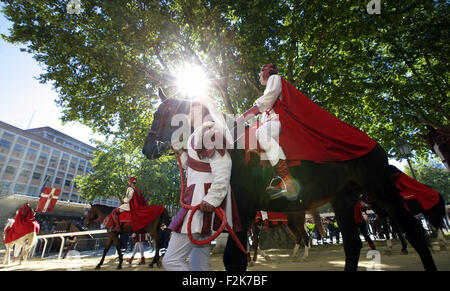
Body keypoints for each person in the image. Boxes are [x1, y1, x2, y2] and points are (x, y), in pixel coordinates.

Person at [238, 64, 377, 201]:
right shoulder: (270, 84)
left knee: (262, 133)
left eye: (262, 70)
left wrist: (240, 119)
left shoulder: (274, 79)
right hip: (273, 121)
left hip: (281, 121)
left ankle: (287, 181)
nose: (260, 74)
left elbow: (265, 102)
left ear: (269, 71)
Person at [162, 97, 241, 271]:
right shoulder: (199, 134)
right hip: (199, 200)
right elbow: (198, 166)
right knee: (198, 258)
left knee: (172, 261)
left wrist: (213, 198)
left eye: (190, 109)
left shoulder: (209, 132)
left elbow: (223, 167)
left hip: (200, 202)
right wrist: (181, 154)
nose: (187, 114)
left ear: (199, 110)